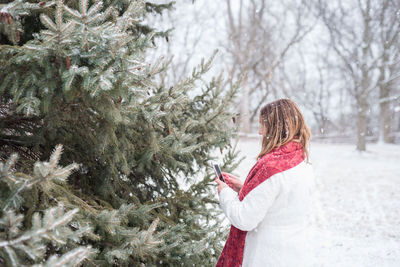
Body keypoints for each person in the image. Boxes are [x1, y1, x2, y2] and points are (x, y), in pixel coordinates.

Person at [214, 98, 318, 267]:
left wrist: (224, 192)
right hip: (295, 253)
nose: (260, 132)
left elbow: (244, 218)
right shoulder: (300, 159)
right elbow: (282, 199)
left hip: (267, 255)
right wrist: (245, 188)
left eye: (263, 125)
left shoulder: (272, 168)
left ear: (276, 127)